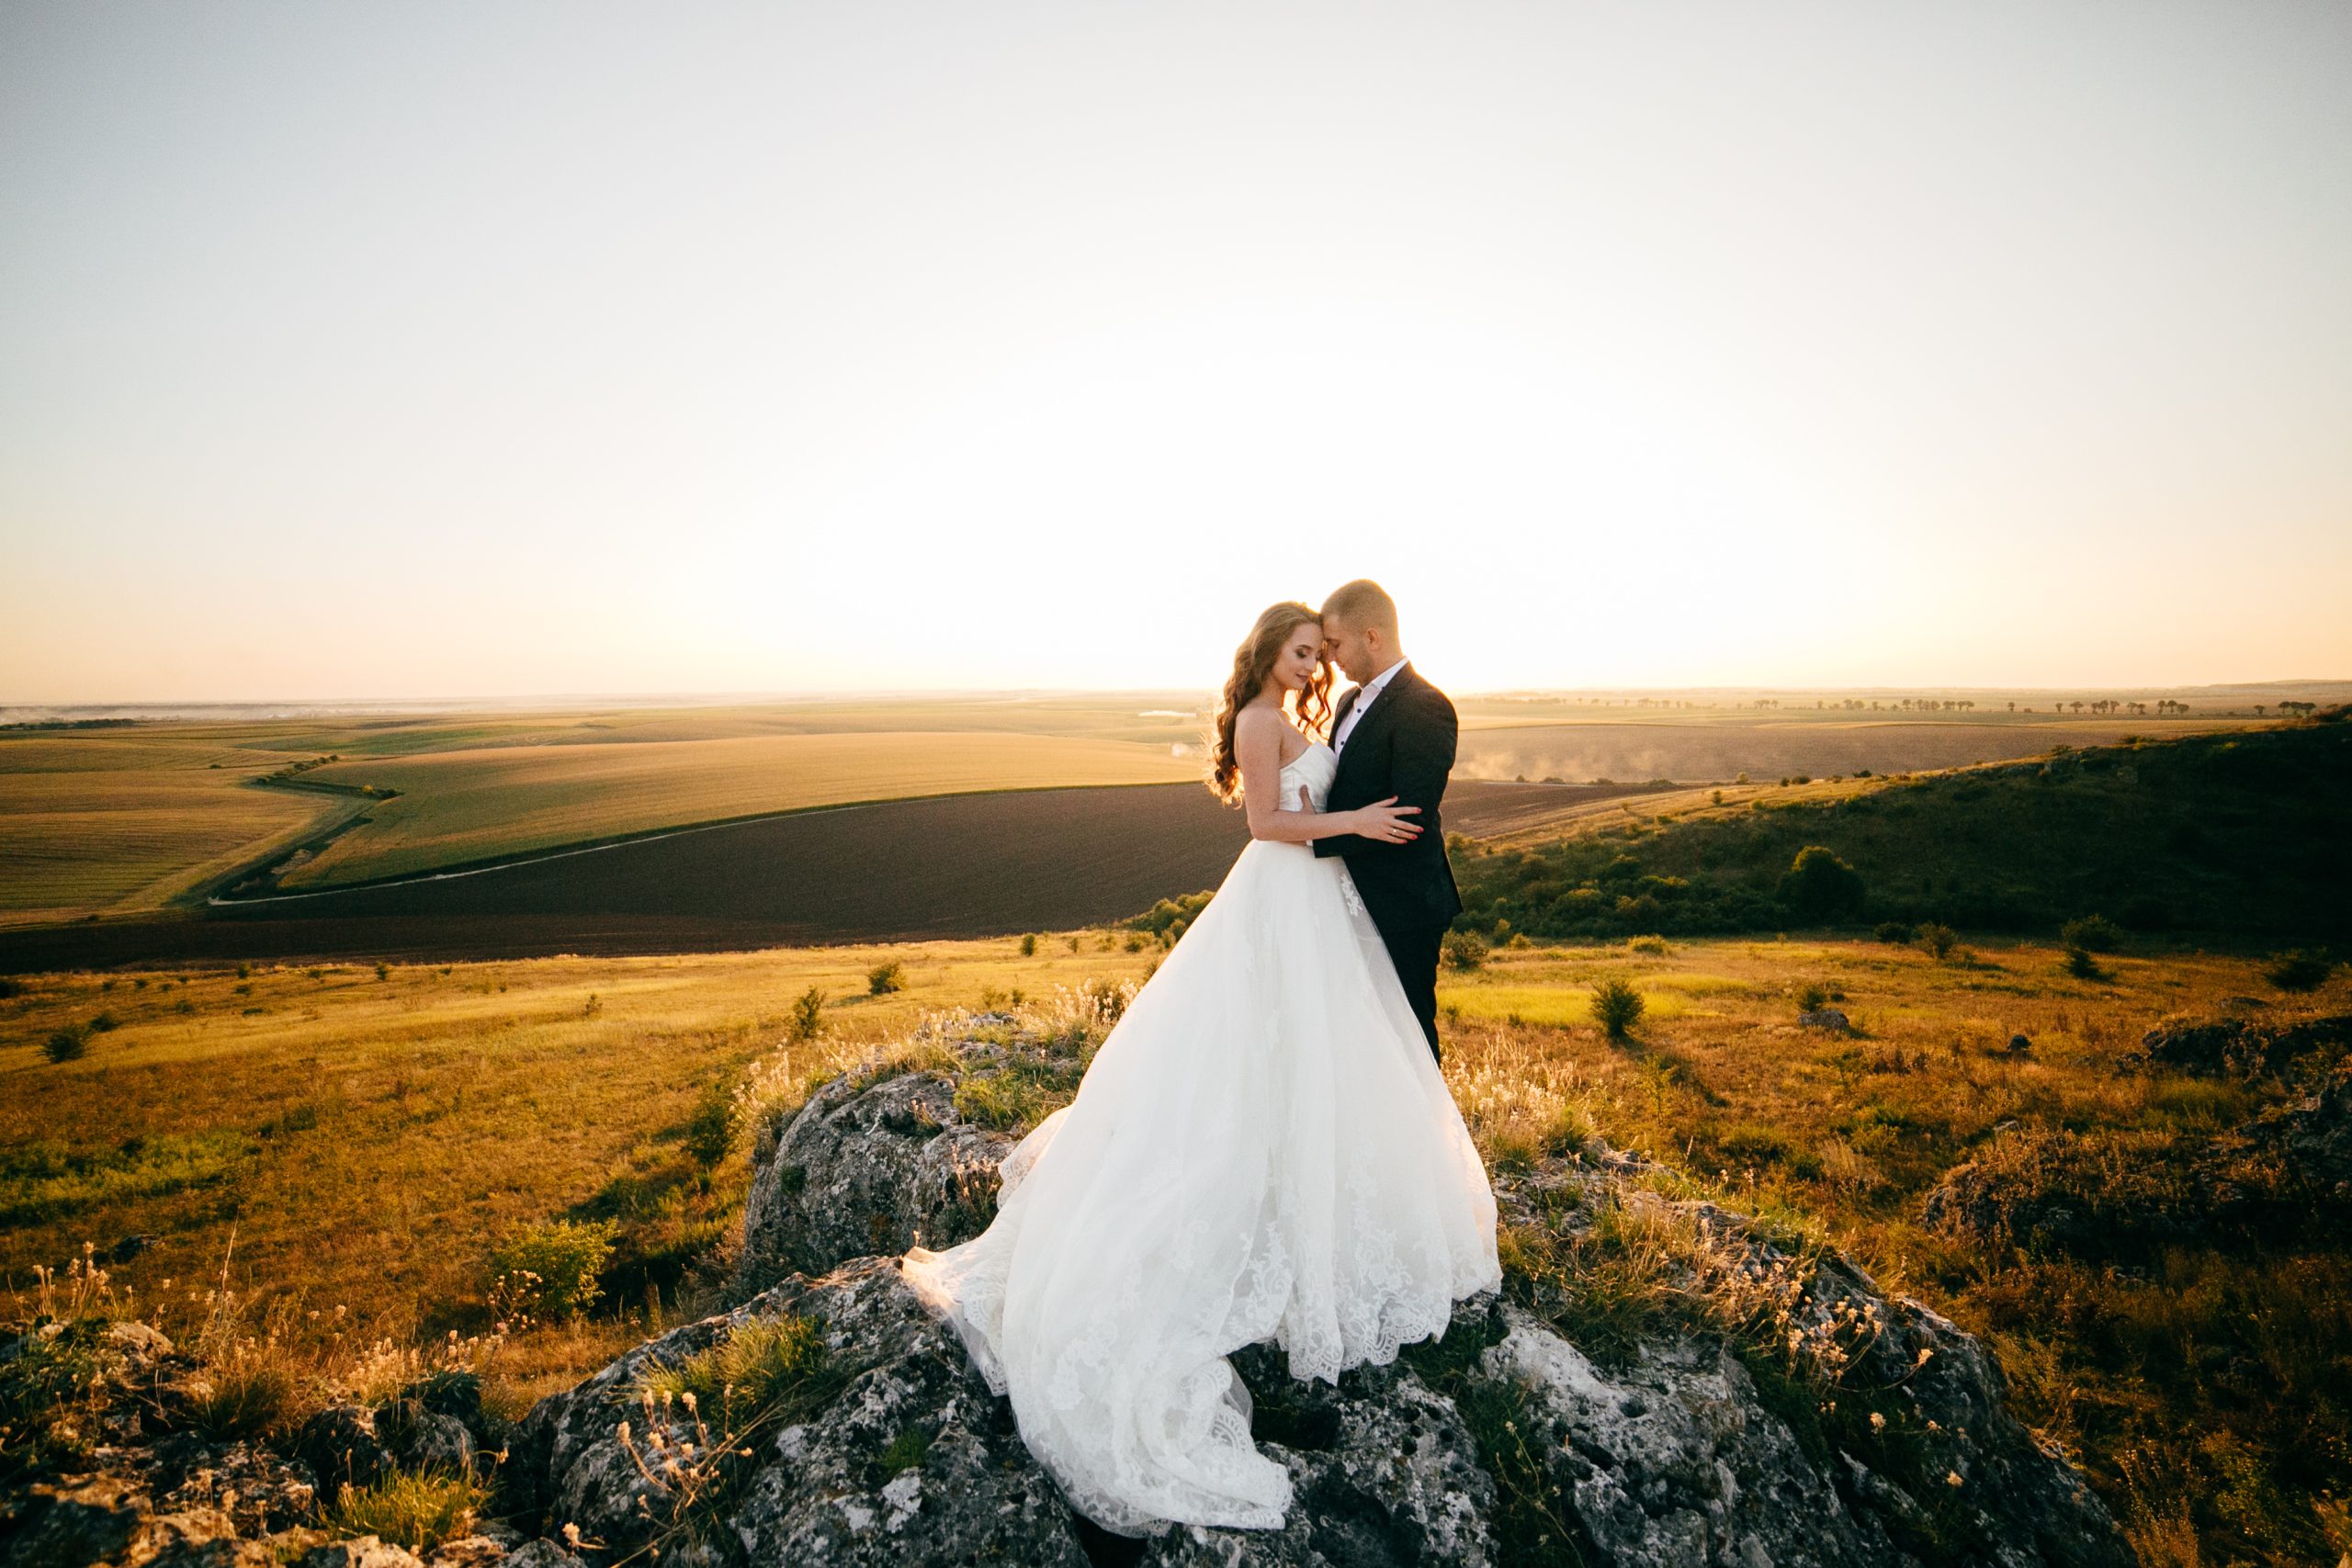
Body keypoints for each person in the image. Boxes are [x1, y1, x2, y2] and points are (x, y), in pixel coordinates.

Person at [900, 599, 1501, 1540]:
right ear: (1267, 651)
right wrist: (1353, 816)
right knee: (1260, 1053)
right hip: (1284, 891)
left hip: (1320, 900)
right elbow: (1265, 822)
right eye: (1301, 652)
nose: (1314, 667)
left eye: (1320, 653)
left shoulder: (1307, 713)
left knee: (1319, 1053)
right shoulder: (1262, 720)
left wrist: (1351, 818)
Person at [1313, 578, 1464, 1061]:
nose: (1328, 657)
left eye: (1335, 644)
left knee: (1408, 1034)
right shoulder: (1347, 702)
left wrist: (1315, 836)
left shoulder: (1425, 705)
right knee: (1362, 1038)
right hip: (1351, 898)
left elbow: (1408, 818)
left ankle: (1428, 1115)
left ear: (1372, 637)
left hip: (1403, 903)